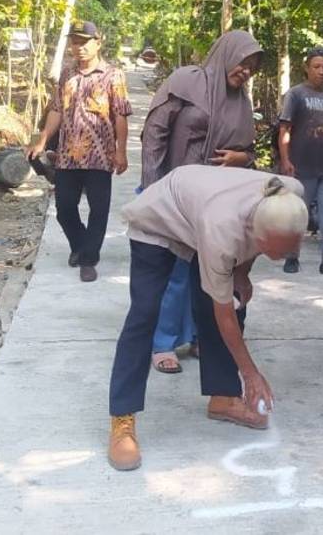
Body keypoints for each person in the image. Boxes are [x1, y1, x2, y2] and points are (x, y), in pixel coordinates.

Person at [107, 167, 308, 471]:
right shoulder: (222, 229)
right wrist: (251, 375)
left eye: (290, 251)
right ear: (256, 234)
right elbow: (221, 312)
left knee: (236, 301)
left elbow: (251, 253)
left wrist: (242, 273)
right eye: (276, 253)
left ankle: (223, 397)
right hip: (161, 219)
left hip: (201, 213)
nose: (281, 259)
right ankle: (122, 417)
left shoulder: (290, 193)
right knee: (146, 312)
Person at [139, 31, 263, 374]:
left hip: (217, 202)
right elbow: (155, 133)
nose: (246, 71)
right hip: (176, 194)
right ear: (226, 54)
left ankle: (200, 337)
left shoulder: (242, 102)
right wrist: (152, 188)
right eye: (243, 61)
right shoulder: (186, 81)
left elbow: (248, 152)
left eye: (252, 67)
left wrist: (240, 157)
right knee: (175, 271)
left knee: (210, 271)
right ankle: (162, 343)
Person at [26, 20, 131, 282]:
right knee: (64, 208)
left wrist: (121, 152)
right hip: (68, 156)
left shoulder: (113, 75)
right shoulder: (67, 74)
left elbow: (120, 115)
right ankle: (80, 244)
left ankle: (88, 259)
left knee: (98, 209)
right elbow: (57, 110)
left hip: (100, 156)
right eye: (75, 42)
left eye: (84, 42)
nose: (79, 47)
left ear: (98, 42)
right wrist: (42, 140)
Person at [277, 47, 323, 279]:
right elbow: (284, 129)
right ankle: (291, 257)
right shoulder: (296, 95)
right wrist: (286, 160)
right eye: (316, 66)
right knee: (299, 214)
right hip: (301, 167)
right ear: (307, 68)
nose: (321, 71)